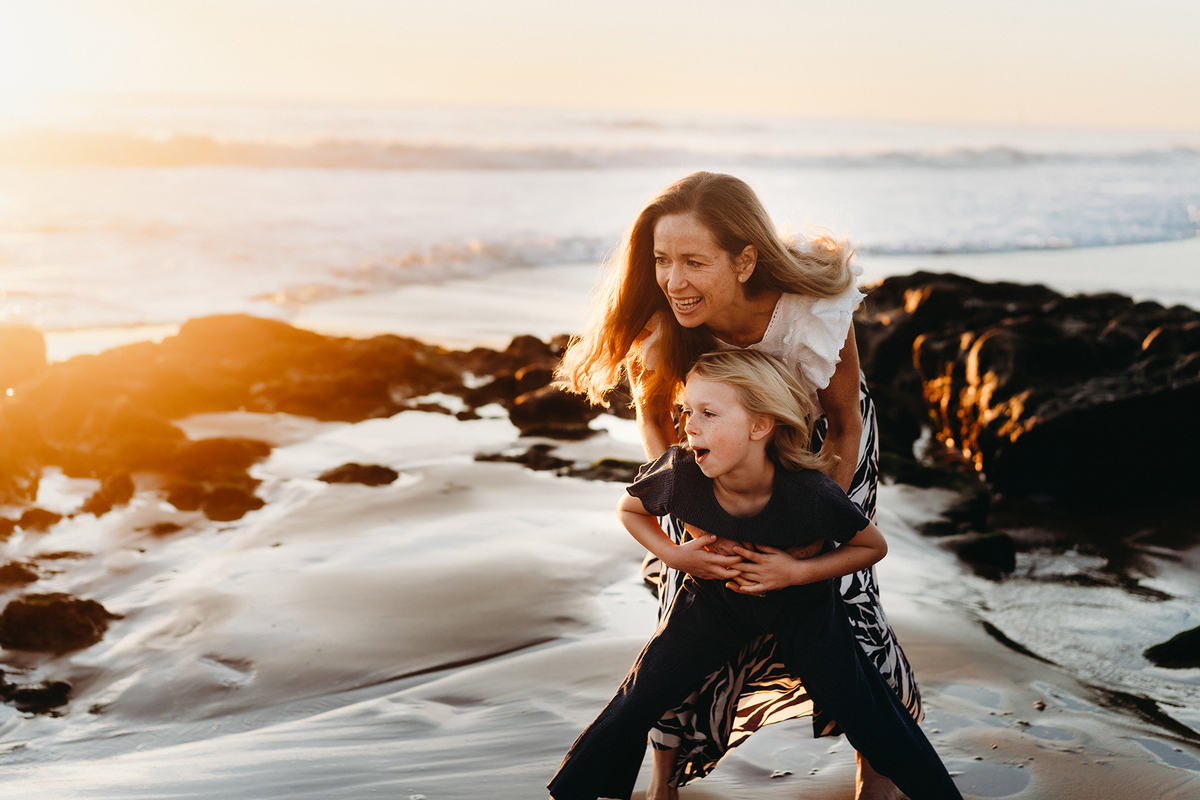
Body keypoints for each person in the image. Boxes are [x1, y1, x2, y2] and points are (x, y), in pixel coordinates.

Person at [556, 171, 920, 799]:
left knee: (843, 603)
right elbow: (653, 418)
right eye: (663, 260)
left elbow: (843, 420)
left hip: (824, 452)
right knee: (692, 599)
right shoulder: (662, 314)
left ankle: (878, 774)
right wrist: (691, 515)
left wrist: (808, 546)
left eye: (694, 261)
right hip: (709, 460)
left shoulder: (812, 308)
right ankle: (665, 784)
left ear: (746, 259)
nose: (674, 280)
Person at [547, 351, 961, 800]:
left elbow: (871, 546)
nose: (689, 426)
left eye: (708, 414)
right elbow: (629, 509)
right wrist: (675, 555)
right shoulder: (683, 472)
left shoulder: (808, 490)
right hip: (710, 605)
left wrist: (798, 571)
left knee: (865, 706)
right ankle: (576, 790)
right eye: (688, 411)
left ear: (760, 425)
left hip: (803, 610)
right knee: (642, 692)